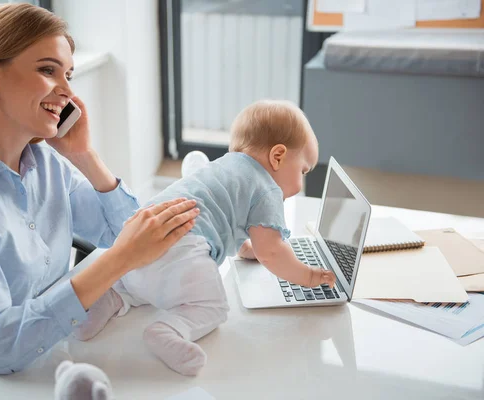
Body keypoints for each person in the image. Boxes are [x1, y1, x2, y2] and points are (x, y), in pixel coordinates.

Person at [0, 3, 198, 398]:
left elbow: (133, 237)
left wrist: (83, 155)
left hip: (45, 348)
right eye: (48, 70)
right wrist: (120, 259)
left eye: (68, 74)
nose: (66, 90)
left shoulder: (44, 161)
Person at [74, 100, 336, 376]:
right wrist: (308, 277)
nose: (301, 182)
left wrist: (247, 248)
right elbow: (272, 251)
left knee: (134, 284)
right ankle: (170, 329)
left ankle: (110, 300)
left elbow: (232, 224)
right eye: (303, 171)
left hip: (136, 242)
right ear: (278, 156)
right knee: (213, 306)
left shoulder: (225, 167)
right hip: (181, 249)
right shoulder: (266, 187)